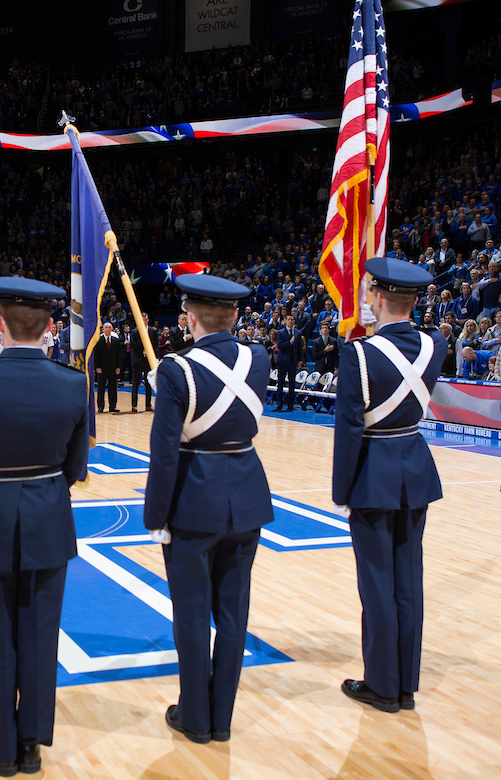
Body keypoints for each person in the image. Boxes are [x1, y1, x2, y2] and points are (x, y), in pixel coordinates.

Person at [0, 278, 88, 777]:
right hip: (49, 517)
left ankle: (1, 749)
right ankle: (31, 744)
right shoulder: (74, 383)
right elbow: (76, 468)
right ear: (50, 326)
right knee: (40, 635)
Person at [143, 273, 273, 744]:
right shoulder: (258, 356)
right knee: (234, 614)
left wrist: (156, 516)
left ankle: (195, 716)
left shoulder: (176, 370)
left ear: (188, 318)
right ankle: (222, 716)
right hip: (247, 496)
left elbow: (165, 453)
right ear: (235, 315)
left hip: (194, 500)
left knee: (193, 613)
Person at [334, 257, 446, 713]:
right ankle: (405, 683)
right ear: (415, 301)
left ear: (377, 299)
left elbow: (349, 430)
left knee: (377, 583)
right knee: (409, 580)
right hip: (415, 468)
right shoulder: (433, 344)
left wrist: (343, 491)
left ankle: (382, 683)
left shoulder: (357, 354)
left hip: (373, 472)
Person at [129, 313, 157, 413]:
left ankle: (148, 405)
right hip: (138, 360)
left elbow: (156, 346)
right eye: (142, 319)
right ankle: (134, 405)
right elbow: (132, 345)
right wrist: (143, 340)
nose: (144, 321)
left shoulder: (153, 331)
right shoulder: (134, 331)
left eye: (145, 319)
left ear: (148, 320)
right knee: (135, 383)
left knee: (148, 383)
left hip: (148, 360)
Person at [274, 313, 302, 412]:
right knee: (281, 382)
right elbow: (280, 346)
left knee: (292, 383)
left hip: (293, 361)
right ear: (285, 321)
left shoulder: (298, 333)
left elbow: (299, 348)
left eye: (292, 319)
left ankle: (290, 405)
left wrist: (300, 361)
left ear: (294, 321)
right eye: (289, 319)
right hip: (283, 360)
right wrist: (290, 342)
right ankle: (279, 404)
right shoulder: (281, 332)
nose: (290, 321)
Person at [93, 321, 122, 414]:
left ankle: (113, 406)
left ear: (112, 329)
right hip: (102, 368)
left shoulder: (116, 340)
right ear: (103, 329)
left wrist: (118, 367)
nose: (108, 329)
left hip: (113, 368)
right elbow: (96, 355)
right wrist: (97, 367)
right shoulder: (98, 340)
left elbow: (118, 355)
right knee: (101, 388)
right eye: (106, 327)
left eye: (110, 327)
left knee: (113, 387)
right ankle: (100, 407)